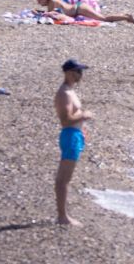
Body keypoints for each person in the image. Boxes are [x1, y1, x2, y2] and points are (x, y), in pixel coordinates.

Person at [54, 59, 90, 228]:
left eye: (80, 71)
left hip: (75, 135)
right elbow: (65, 120)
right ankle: (63, 216)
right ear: (69, 72)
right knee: (63, 179)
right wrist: (84, 116)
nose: (80, 75)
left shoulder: (70, 91)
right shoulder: (64, 94)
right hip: (70, 136)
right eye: (77, 71)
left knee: (66, 177)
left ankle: (63, 214)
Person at [35, 0, 134, 24]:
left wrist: (38, 13)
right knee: (103, 18)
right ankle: (125, 16)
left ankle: (126, 16)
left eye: (40, 0)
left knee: (104, 19)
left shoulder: (52, 2)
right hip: (78, 8)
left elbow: (51, 14)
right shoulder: (52, 1)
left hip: (79, 8)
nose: (39, 3)